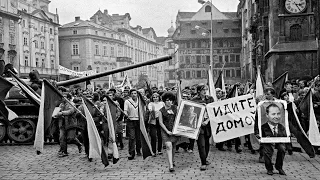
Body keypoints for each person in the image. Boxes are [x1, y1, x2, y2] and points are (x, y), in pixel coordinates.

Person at [256, 103, 287, 176]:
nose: (276, 117)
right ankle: (269, 168)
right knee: (267, 150)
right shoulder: (263, 127)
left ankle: (279, 167)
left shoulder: (281, 127)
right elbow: (258, 134)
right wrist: (260, 136)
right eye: (273, 114)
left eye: (278, 114)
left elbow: (284, 135)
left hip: (278, 141)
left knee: (282, 148)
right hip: (267, 142)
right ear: (267, 115)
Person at [55, 93, 82, 157]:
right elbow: (58, 111)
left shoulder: (71, 104)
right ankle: (64, 151)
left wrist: (61, 113)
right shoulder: (61, 105)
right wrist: (56, 114)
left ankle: (79, 144)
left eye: (64, 97)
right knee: (62, 138)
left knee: (70, 138)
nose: (62, 98)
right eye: (62, 97)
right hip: (62, 123)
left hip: (70, 124)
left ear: (68, 98)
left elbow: (70, 111)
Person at [159, 91, 179, 172]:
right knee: (168, 146)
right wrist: (167, 131)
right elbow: (160, 122)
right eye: (167, 100)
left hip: (174, 130)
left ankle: (172, 160)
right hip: (165, 130)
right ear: (164, 101)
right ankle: (170, 165)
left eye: (171, 100)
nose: (169, 102)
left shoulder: (175, 108)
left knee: (173, 146)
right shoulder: (161, 110)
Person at [124, 89, 141, 160]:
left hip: (139, 121)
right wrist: (126, 113)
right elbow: (125, 110)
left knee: (138, 137)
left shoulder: (140, 101)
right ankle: (131, 152)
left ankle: (138, 150)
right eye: (132, 93)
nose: (134, 94)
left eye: (135, 93)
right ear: (130, 94)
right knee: (132, 137)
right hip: (131, 120)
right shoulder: (127, 101)